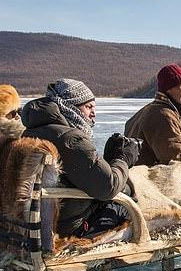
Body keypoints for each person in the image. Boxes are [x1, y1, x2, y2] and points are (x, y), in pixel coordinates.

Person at [21, 78, 140, 237]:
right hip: (69, 227)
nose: (94, 113)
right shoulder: (70, 139)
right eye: (88, 106)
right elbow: (108, 187)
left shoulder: (33, 132)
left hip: (40, 220)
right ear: (69, 106)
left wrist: (109, 160)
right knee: (128, 207)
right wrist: (123, 158)